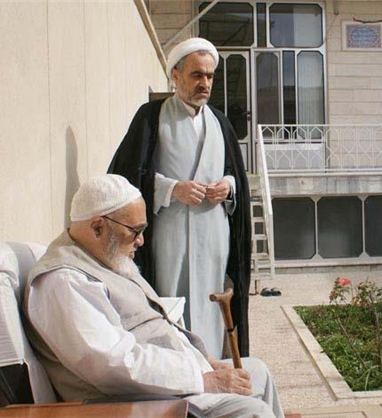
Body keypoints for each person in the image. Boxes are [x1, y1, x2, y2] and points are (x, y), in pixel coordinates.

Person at [22, 174, 283, 418]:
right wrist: (201, 378)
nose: (141, 241)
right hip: (137, 403)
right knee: (252, 412)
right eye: (135, 231)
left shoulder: (103, 256)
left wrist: (206, 363)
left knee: (256, 372)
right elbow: (112, 364)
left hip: (166, 386)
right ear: (98, 227)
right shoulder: (64, 281)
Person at [108, 37, 251, 359]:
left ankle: (212, 367)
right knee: (169, 303)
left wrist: (228, 186)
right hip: (169, 235)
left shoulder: (220, 122)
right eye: (197, 75)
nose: (205, 83)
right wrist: (173, 189)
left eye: (209, 76)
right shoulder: (152, 116)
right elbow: (128, 174)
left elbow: (235, 173)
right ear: (175, 76)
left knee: (212, 302)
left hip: (214, 235)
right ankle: (175, 368)